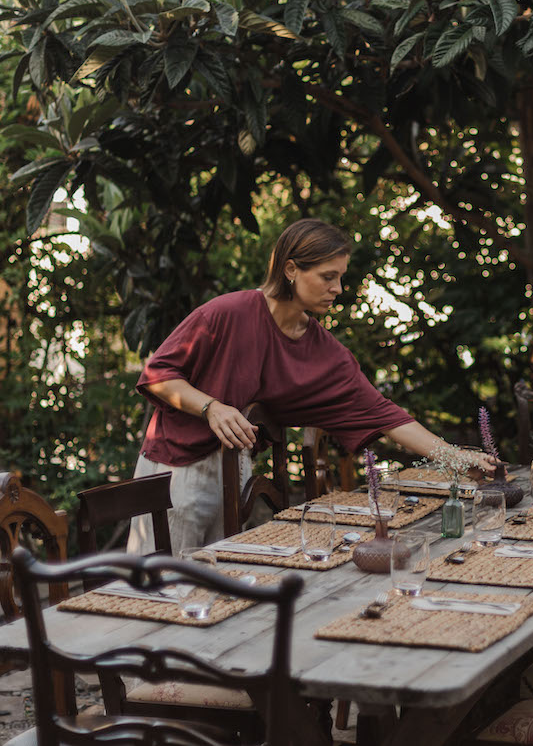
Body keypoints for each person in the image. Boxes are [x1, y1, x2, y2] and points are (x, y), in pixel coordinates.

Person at [128, 218, 494, 552]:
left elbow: (386, 415)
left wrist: (457, 459)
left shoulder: (323, 351)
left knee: (220, 593)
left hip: (234, 469)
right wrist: (212, 407)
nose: (337, 288)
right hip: (175, 470)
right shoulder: (228, 312)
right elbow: (158, 374)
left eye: (340, 277)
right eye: (327, 276)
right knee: (157, 597)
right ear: (290, 269)